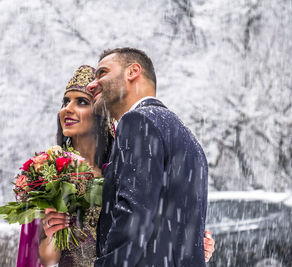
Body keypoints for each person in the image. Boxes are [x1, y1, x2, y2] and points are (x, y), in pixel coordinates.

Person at [36, 65, 214, 266]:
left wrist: (190, 243)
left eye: (82, 102)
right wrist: (53, 234)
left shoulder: (126, 162)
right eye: (66, 101)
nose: (68, 109)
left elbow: (147, 221)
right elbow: (47, 259)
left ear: (100, 111)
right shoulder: (52, 170)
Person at [85, 47, 209, 266]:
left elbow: (134, 216)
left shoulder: (137, 121)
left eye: (102, 73)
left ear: (133, 71)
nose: (91, 85)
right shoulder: (186, 137)